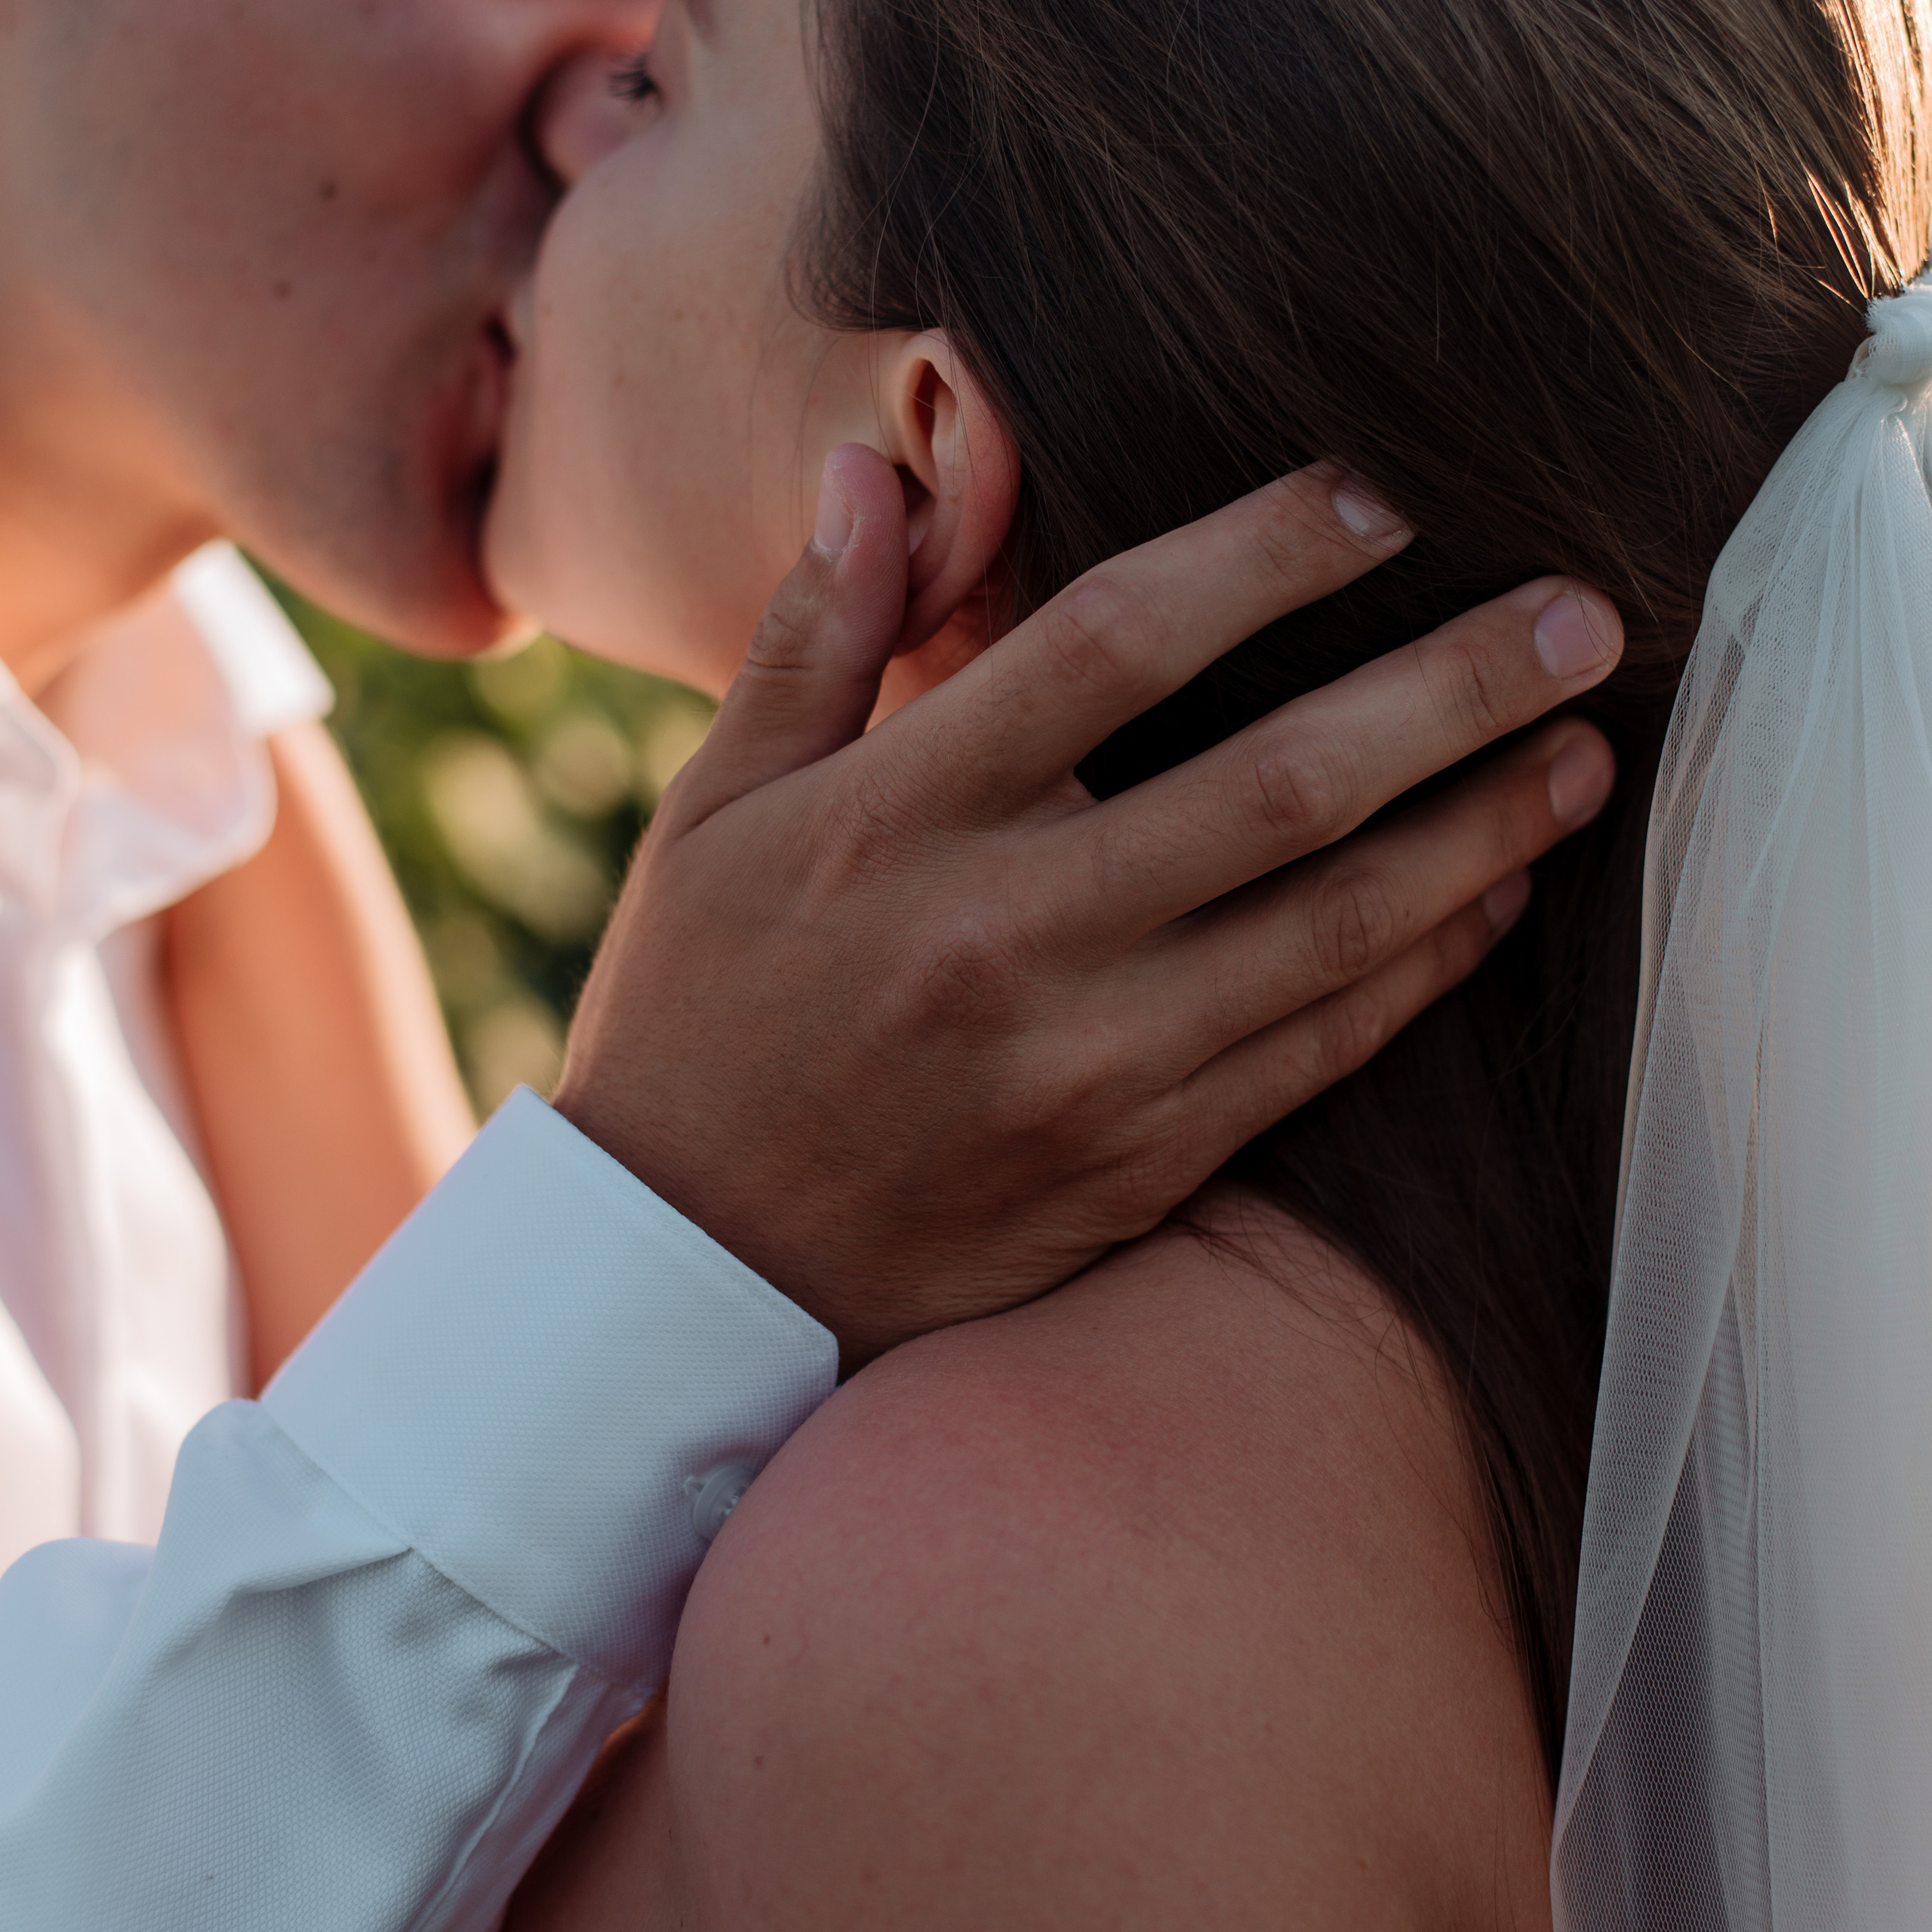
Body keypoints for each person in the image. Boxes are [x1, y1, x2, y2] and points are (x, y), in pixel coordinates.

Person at [0, 2, 1617, 1926]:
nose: (599, 77)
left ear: (924, 457)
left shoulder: (217, 824)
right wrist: (642, 1238)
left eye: (685, 56)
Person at [467, 0, 1929, 1924]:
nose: (569, 102)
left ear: (917, 452)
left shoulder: (1003, 1593)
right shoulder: (1596, 1375)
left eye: (667, 73)